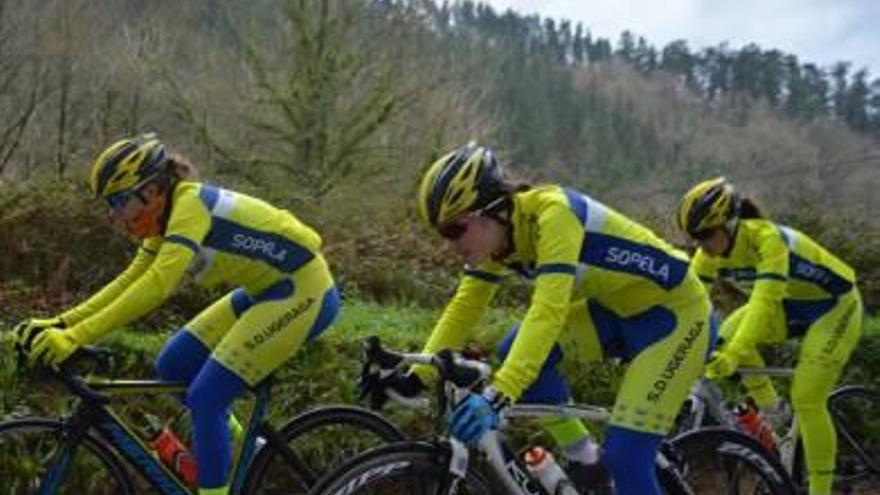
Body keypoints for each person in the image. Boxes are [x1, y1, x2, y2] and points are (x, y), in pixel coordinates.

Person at [15, 133, 341, 495]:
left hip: (304, 292)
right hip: (264, 291)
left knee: (207, 397)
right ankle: (243, 446)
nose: (117, 215)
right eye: (111, 204)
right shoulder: (163, 219)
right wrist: (62, 324)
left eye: (121, 201)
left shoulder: (189, 208)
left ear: (152, 190)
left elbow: (157, 285)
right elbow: (131, 280)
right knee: (174, 363)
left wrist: (76, 337)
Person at [383, 143, 714, 495]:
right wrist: (417, 377)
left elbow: (548, 312)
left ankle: (611, 465)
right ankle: (586, 459)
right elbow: (465, 307)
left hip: (677, 317)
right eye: (442, 233)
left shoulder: (554, 215)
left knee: (627, 459)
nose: (450, 243)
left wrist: (499, 395)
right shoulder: (500, 239)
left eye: (454, 229)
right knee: (515, 350)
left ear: (491, 210)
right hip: (619, 311)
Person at [678, 177, 863, 495]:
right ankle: (774, 411)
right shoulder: (708, 255)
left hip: (835, 308)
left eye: (706, 235)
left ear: (731, 224)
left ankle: (821, 489)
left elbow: (763, 305)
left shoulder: (768, 239)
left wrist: (734, 356)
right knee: (721, 338)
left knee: (807, 397)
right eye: (696, 238)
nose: (702, 245)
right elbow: (690, 304)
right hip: (790, 307)